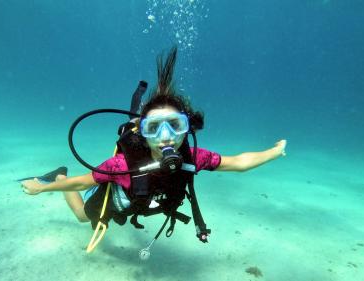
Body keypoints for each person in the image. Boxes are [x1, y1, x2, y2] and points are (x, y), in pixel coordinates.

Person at [19, 47, 286, 253]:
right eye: (154, 128)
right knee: (80, 216)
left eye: (175, 125)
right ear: (143, 133)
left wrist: (273, 153)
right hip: (119, 202)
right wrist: (42, 188)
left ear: (187, 128)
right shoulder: (122, 165)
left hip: (145, 202)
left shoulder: (193, 157)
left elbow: (237, 163)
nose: (166, 137)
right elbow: (83, 181)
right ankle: (58, 176)